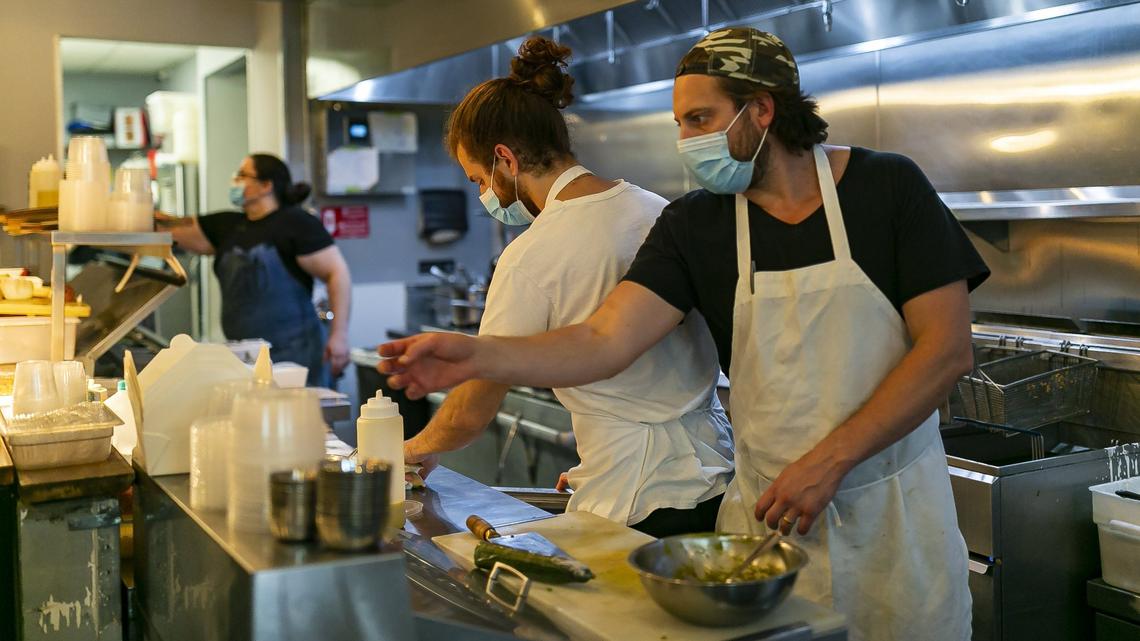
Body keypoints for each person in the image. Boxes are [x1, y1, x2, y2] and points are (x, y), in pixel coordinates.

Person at [380, 27, 988, 641]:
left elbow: (945, 349)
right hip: (768, 522)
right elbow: (604, 339)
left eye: (701, 118)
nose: (687, 141)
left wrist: (829, 460)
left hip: (896, 516)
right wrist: (476, 354)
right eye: (680, 124)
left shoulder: (886, 187)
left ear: (762, 109)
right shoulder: (695, 223)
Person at [402, 36, 734, 538]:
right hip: (718, 479)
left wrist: (409, 452)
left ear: (505, 160)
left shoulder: (531, 257)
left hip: (634, 500)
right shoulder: (657, 209)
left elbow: (473, 406)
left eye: (478, 181)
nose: (484, 195)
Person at [159, 153, 351, 387]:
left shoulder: (297, 224)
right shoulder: (227, 226)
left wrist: (338, 335)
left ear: (266, 185)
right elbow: (167, 227)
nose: (235, 181)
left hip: (297, 356)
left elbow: (337, 273)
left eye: (242, 175)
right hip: (245, 356)